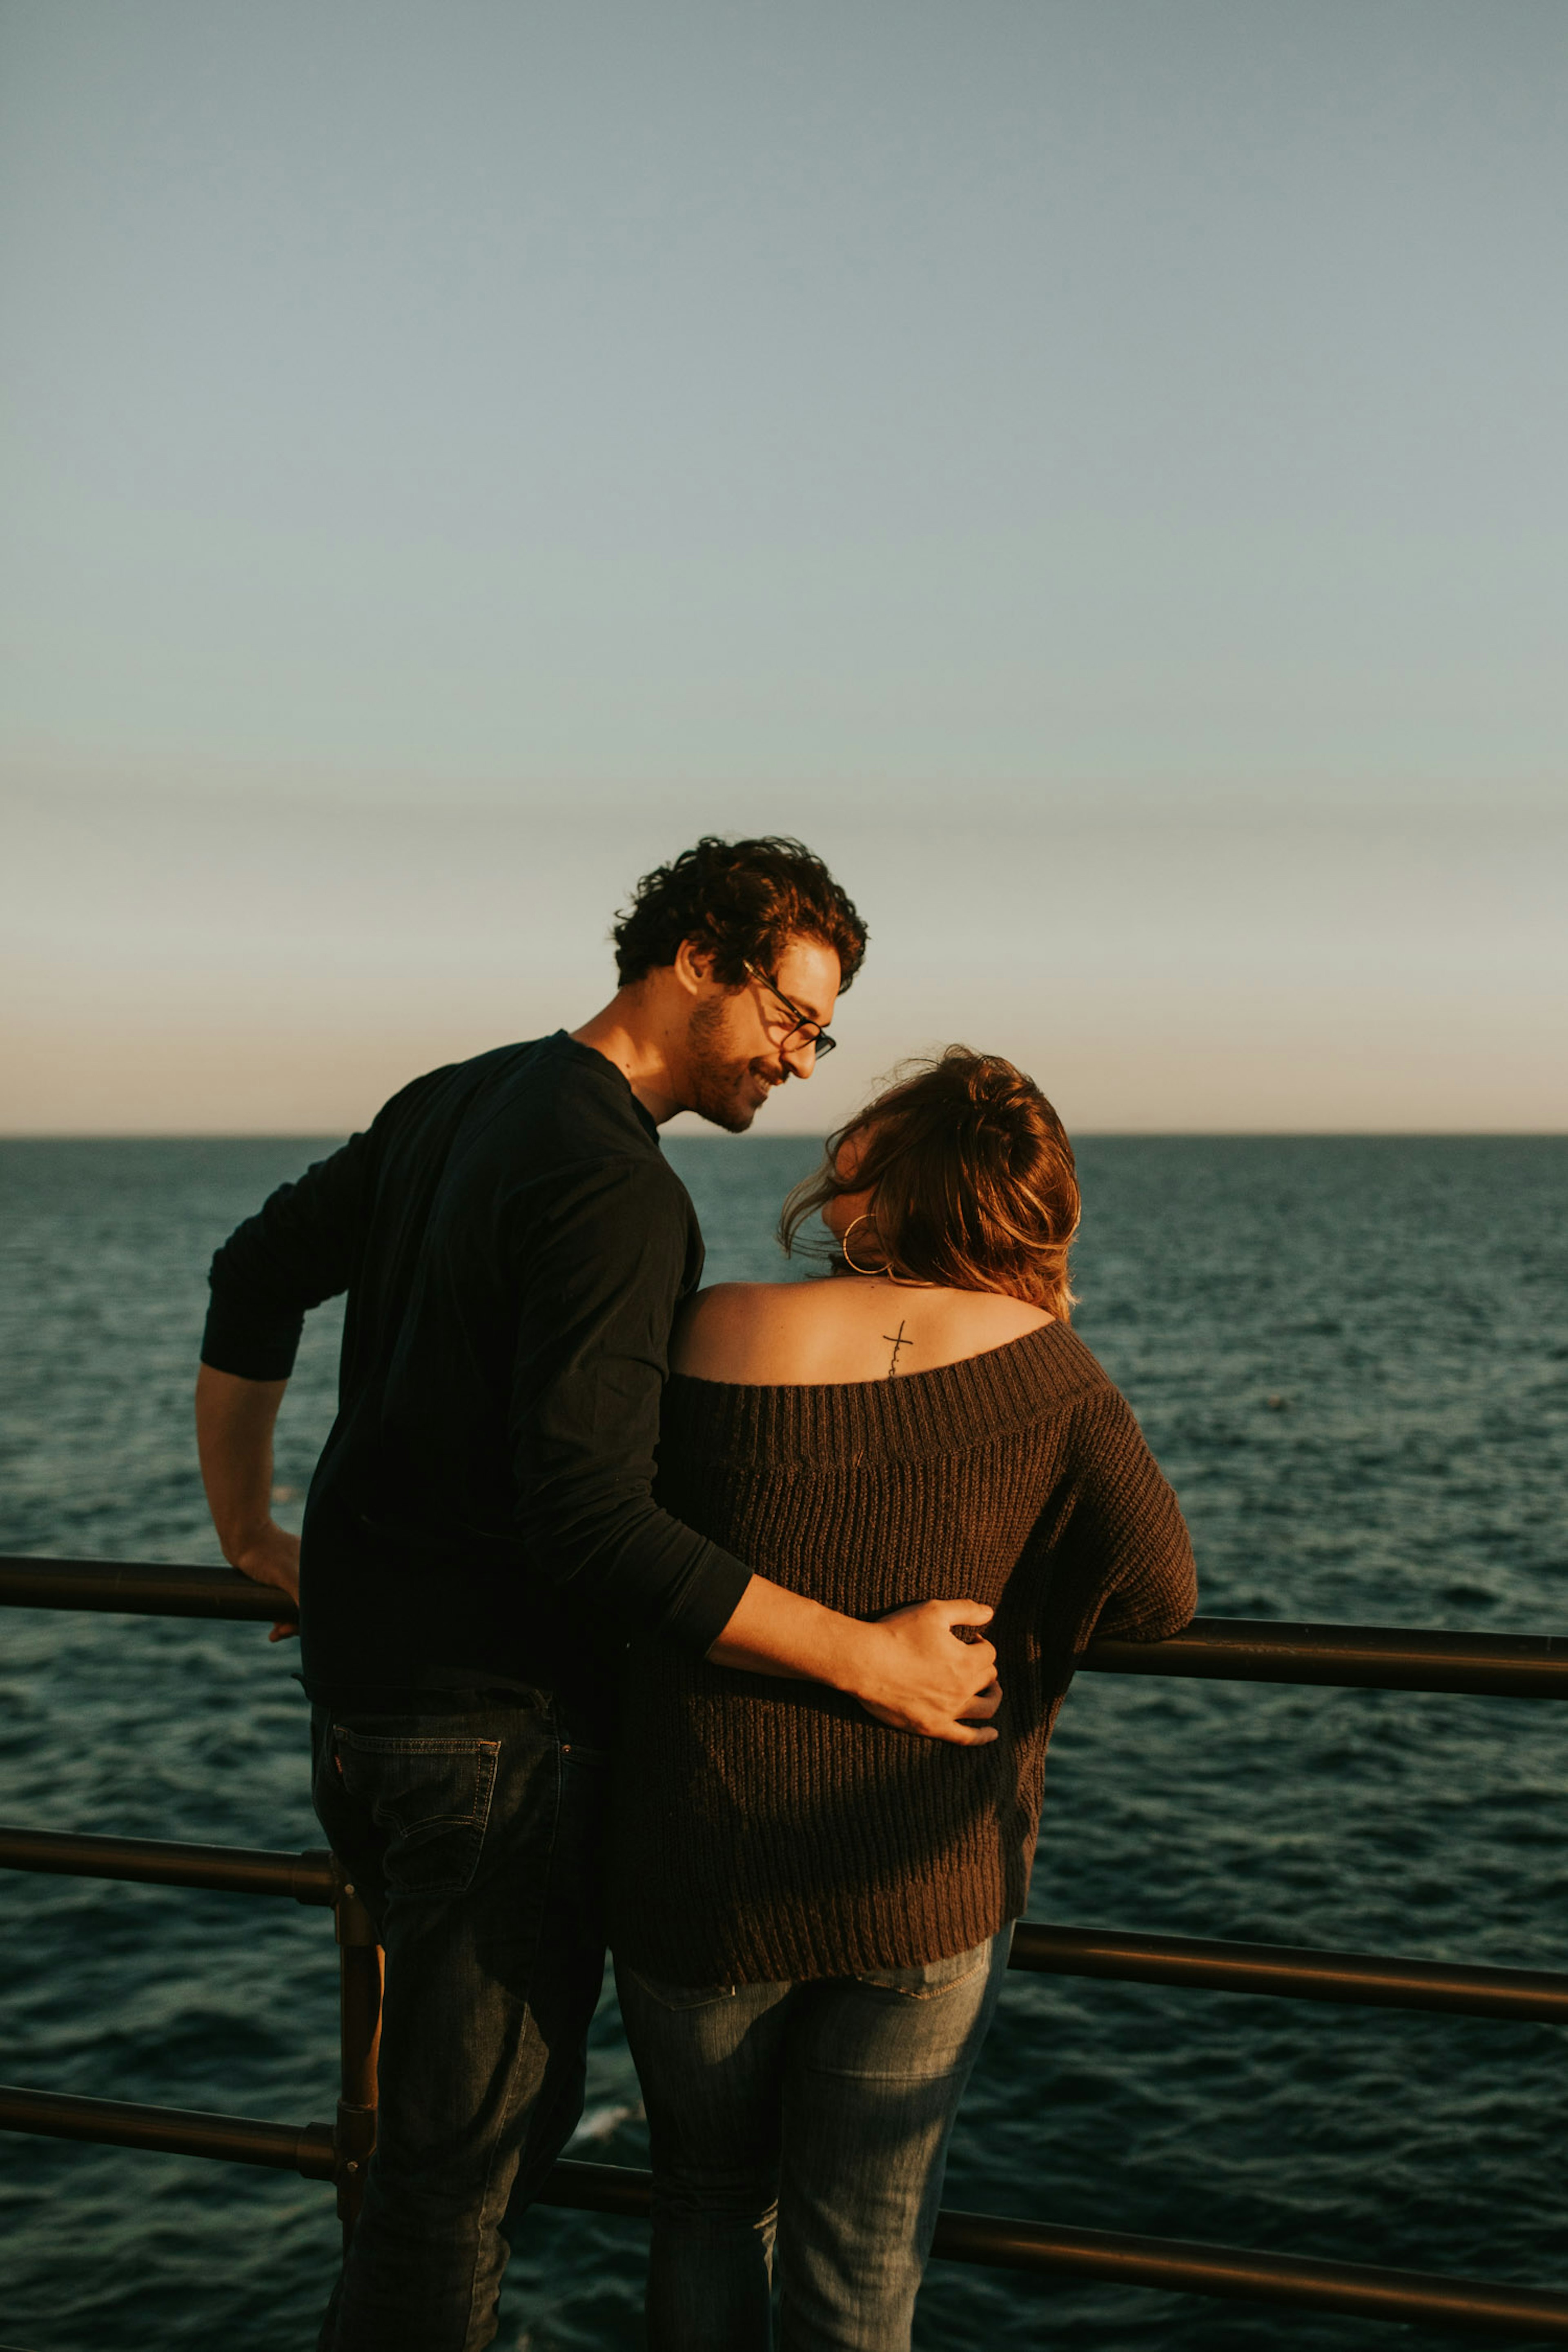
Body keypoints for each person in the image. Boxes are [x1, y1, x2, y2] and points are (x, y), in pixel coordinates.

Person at [192, 839, 1002, 2352]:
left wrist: (251, 1528)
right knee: (451, 2195)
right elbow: (592, 1522)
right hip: (495, 1748)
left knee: (427, 2172)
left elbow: (253, 1274)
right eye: (794, 1018)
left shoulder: (455, 1099)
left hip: (361, 1719)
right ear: (698, 962)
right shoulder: (620, 1189)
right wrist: (865, 1661)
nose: (801, 1061)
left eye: (823, 1039)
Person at [608, 1047, 1198, 2352]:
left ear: (883, 1185)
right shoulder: (1049, 1366)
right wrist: (1002, 1627)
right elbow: (1161, 1594)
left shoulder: (702, 1325)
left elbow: (615, 1550)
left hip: (699, 1857)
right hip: (919, 1879)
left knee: (705, 2207)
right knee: (862, 2264)